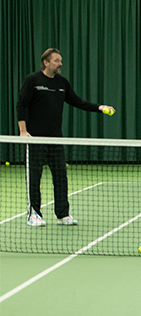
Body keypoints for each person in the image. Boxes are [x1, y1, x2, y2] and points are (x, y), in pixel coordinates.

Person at [16, 48, 115, 227]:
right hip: (36, 140)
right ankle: (34, 214)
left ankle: (63, 214)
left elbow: (77, 101)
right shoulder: (33, 80)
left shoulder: (62, 83)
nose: (60, 63)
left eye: (60, 60)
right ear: (46, 62)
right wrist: (23, 131)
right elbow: (21, 104)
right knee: (34, 178)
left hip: (56, 140)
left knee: (61, 177)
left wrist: (99, 107)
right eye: (56, 60)